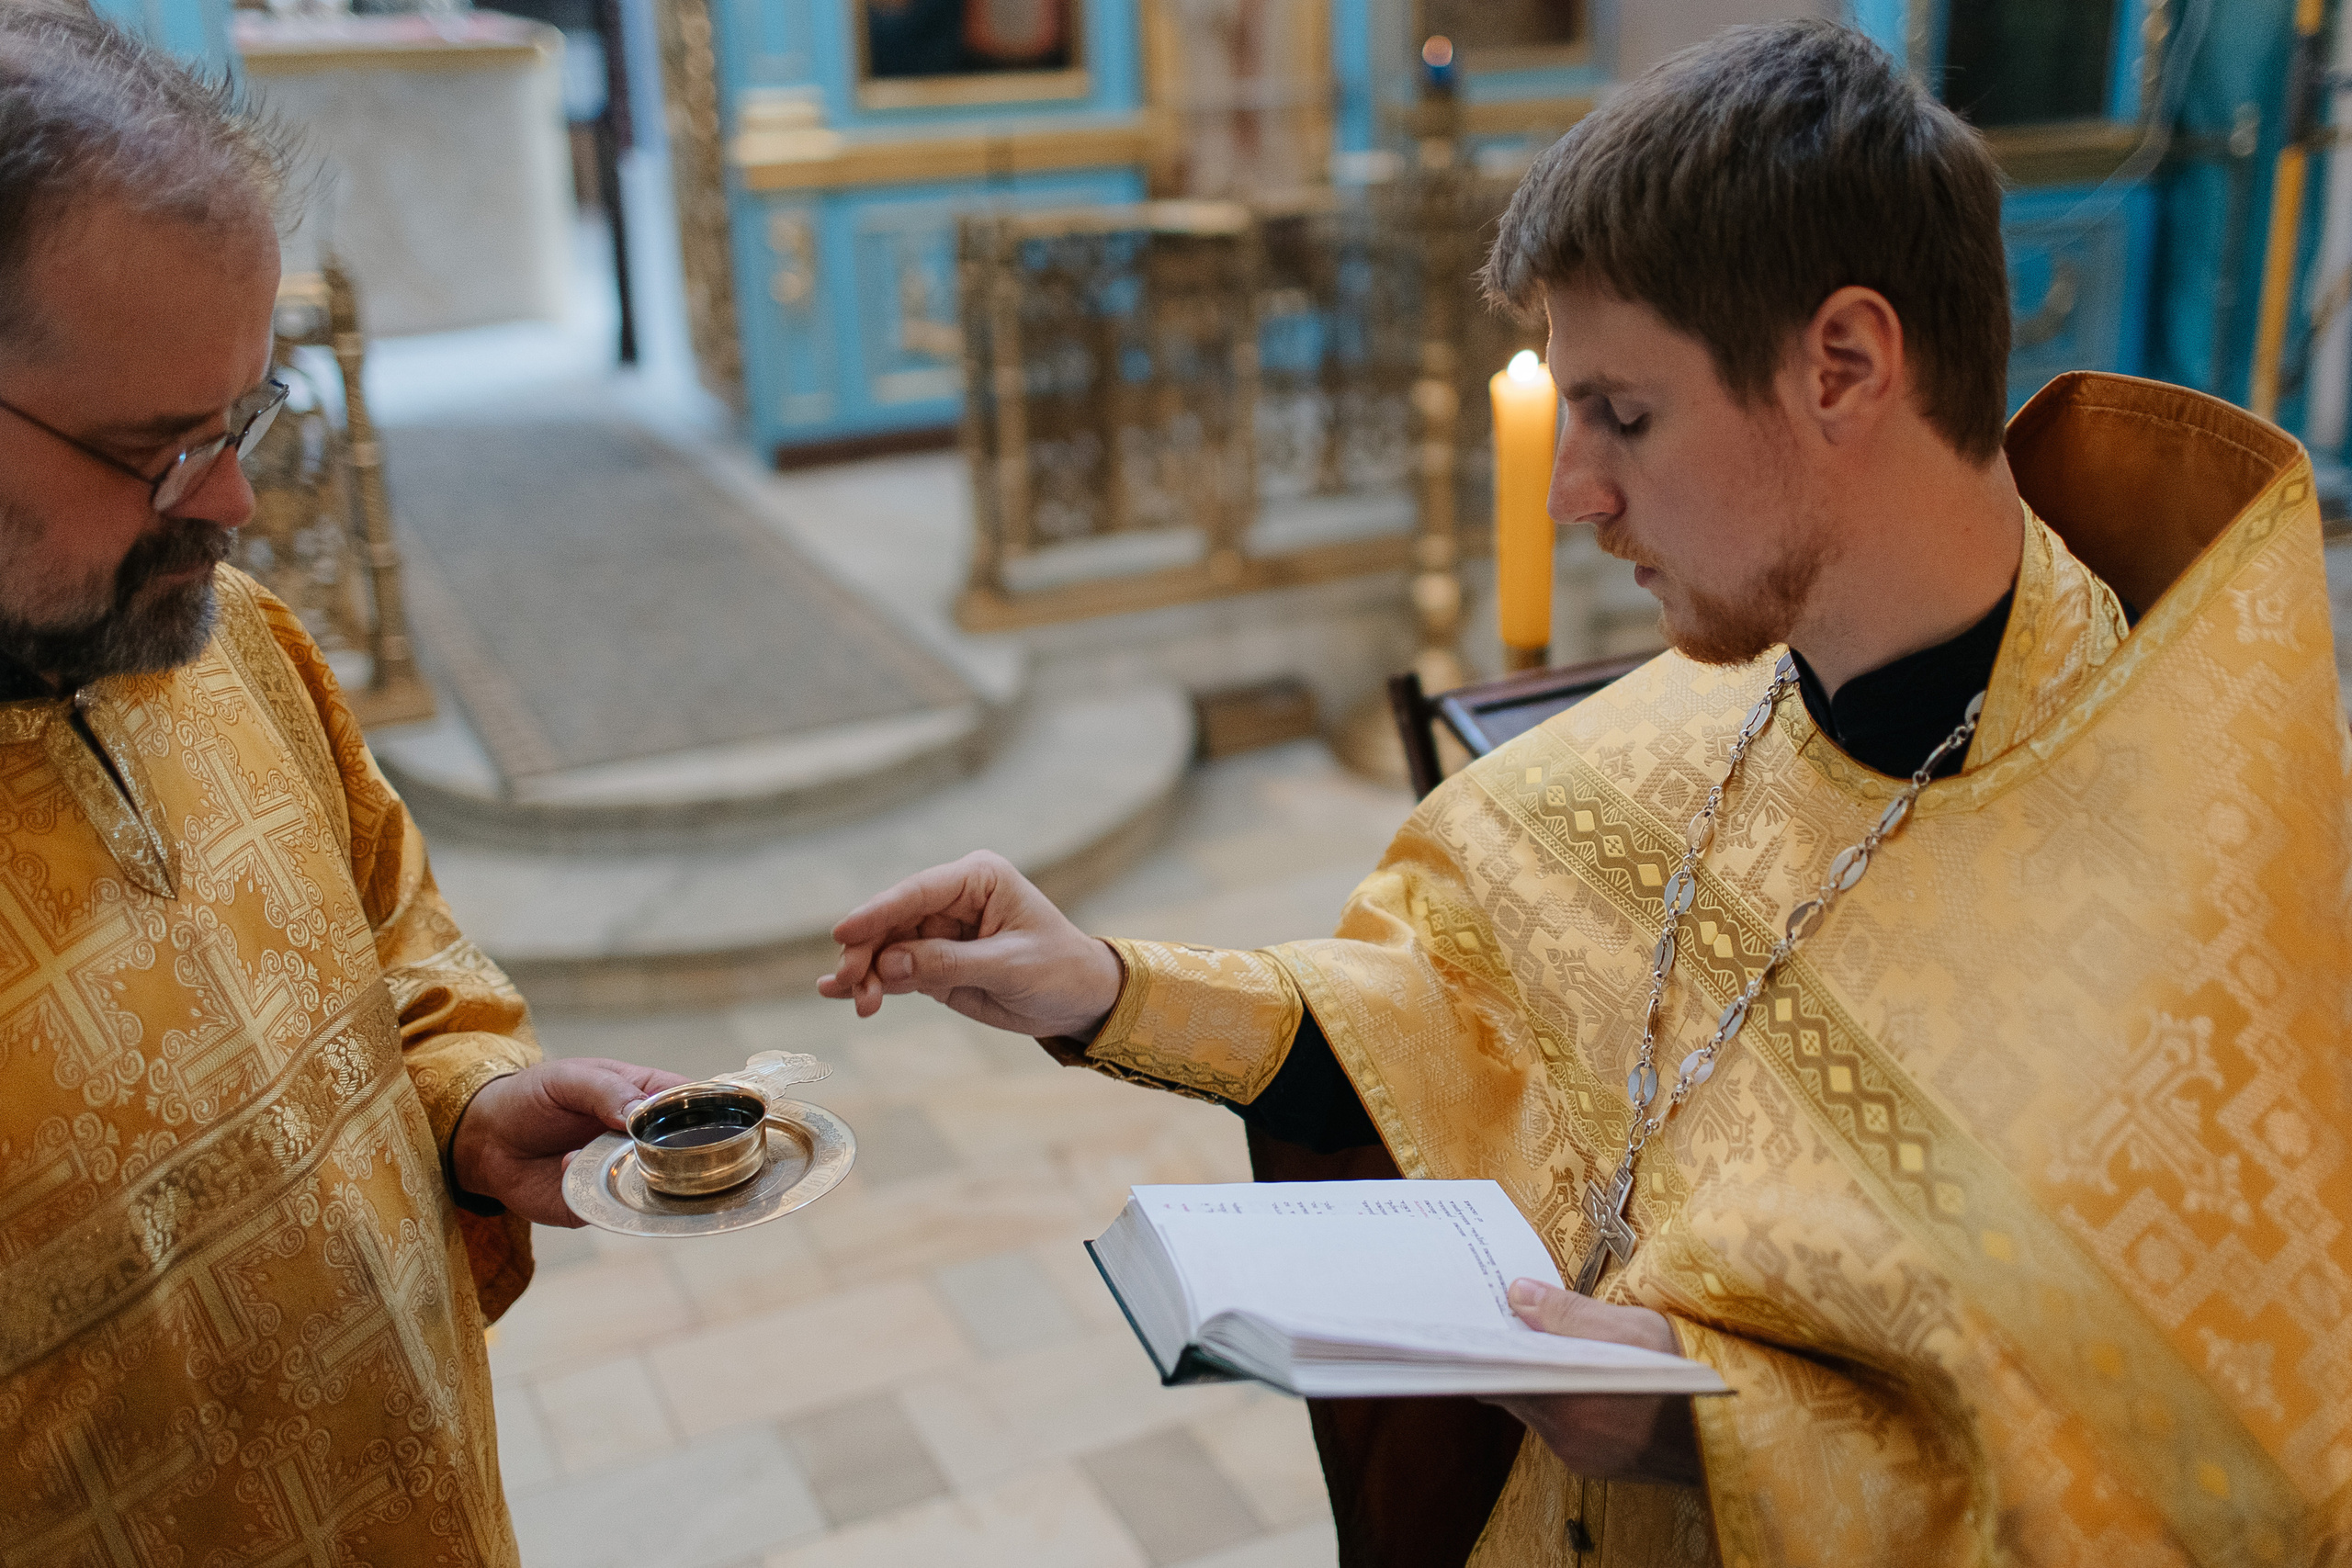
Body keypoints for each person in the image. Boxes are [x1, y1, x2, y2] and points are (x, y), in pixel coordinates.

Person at [822, 20, 2352, 1568]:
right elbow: (1464, 1013)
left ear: (1846, 365)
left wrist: (1714, 1434)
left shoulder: (2188, 940)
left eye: (1623, 414)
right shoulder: (1717, 698)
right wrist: (1103, 987)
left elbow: (2196, 1495)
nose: (1572, 489)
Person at [0, 8, 684, 1560]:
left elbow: (395, 950)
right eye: (159, 449)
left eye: (244, 415)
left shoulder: (232, 641)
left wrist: (469, 1108)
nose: (234, 503)